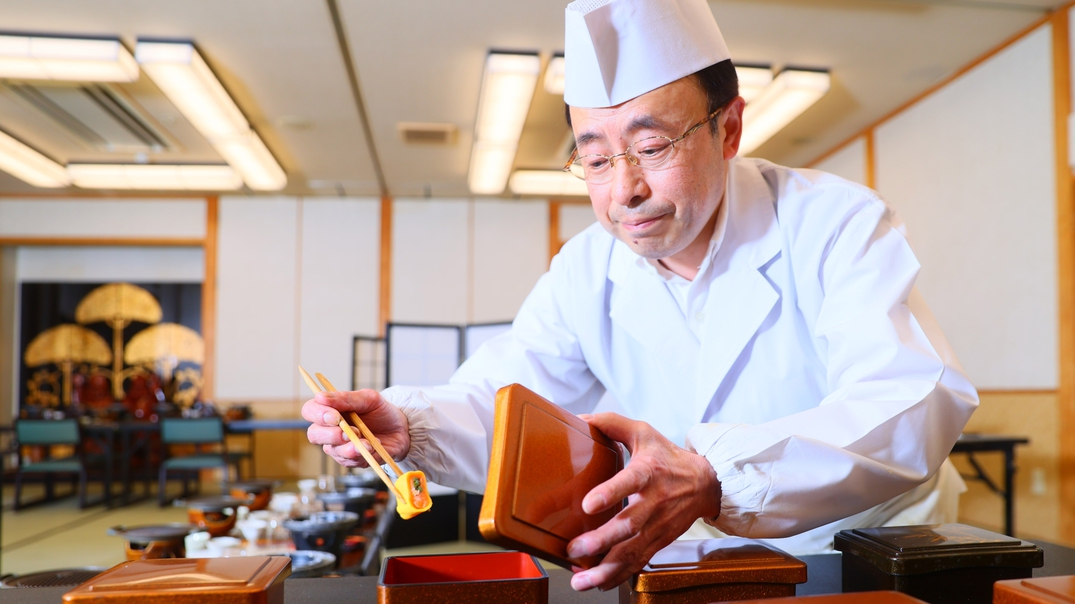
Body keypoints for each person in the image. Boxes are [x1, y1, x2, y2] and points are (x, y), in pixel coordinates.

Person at [304, 0, 979, 592]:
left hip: (862, 559)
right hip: (690, 567)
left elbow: (910, 399)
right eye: (595, 160)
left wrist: (713, 475)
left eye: (651, 147)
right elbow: (511, 406)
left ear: (729, 129)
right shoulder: (584, 270)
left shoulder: (832, 222)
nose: (621, 191)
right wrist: (410, 424)